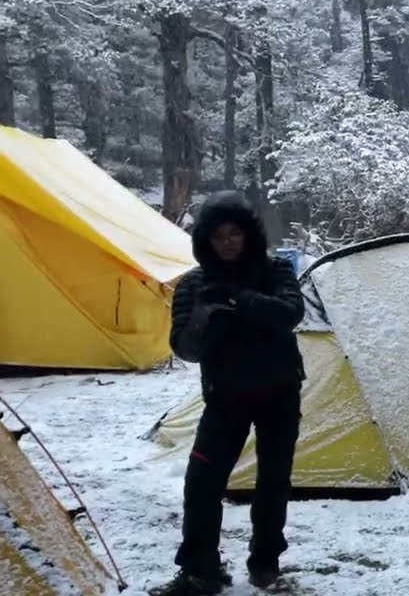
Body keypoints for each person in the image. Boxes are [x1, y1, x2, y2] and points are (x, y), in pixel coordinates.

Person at [150, 191, 306, 596]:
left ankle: (266, 564)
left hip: (279, 393)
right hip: (225, 399)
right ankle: (201, 571)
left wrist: (238, 298)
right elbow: (184, 347)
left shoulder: (275, 271)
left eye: (235, 233)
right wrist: (208, 314)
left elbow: (289, 314)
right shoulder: (194, 284)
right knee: (202, 483)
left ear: (249, 234)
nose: (228, 242)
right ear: (206, 240)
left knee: (273, 482)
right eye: (219, 235)